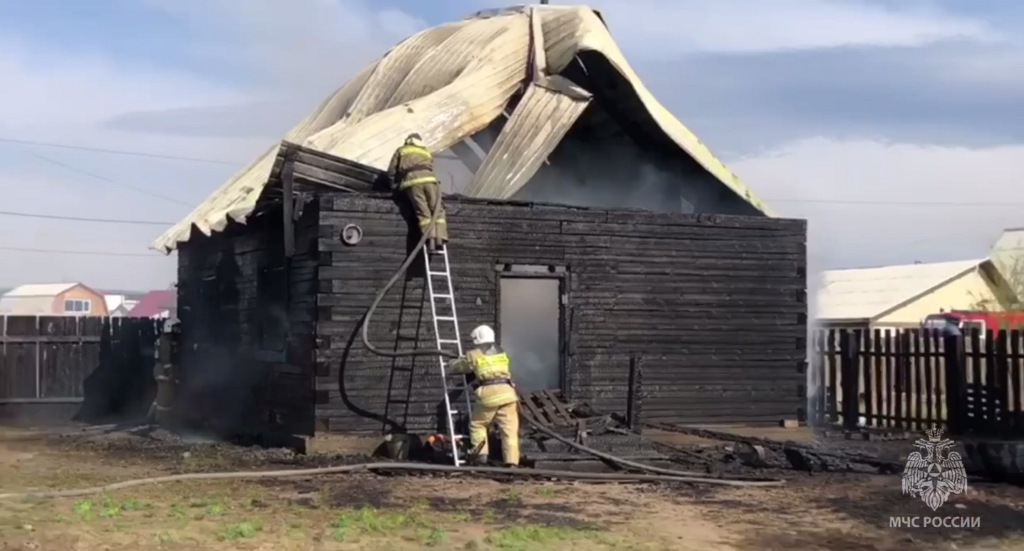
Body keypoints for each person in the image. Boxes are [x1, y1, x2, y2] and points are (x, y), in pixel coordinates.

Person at [447, 324, 520, 466]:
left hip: (489, 393)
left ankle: (480, 455)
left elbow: (460, 367)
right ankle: (512, 462)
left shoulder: (473, 354)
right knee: (509, 430)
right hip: (508, 392)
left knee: (478, 424)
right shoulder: (502, 352)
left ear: (477, 339)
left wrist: (452, 362)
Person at [387, 133, 448, 252]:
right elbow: (431, 167)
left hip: (413, 182)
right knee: (437, 209)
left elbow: (391, 171)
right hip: (431, 181)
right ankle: (440, 240)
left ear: (408, 140)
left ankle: (430, 240)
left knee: (423, 211)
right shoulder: (426, 152)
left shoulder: (401, 150)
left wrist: (393, 186)